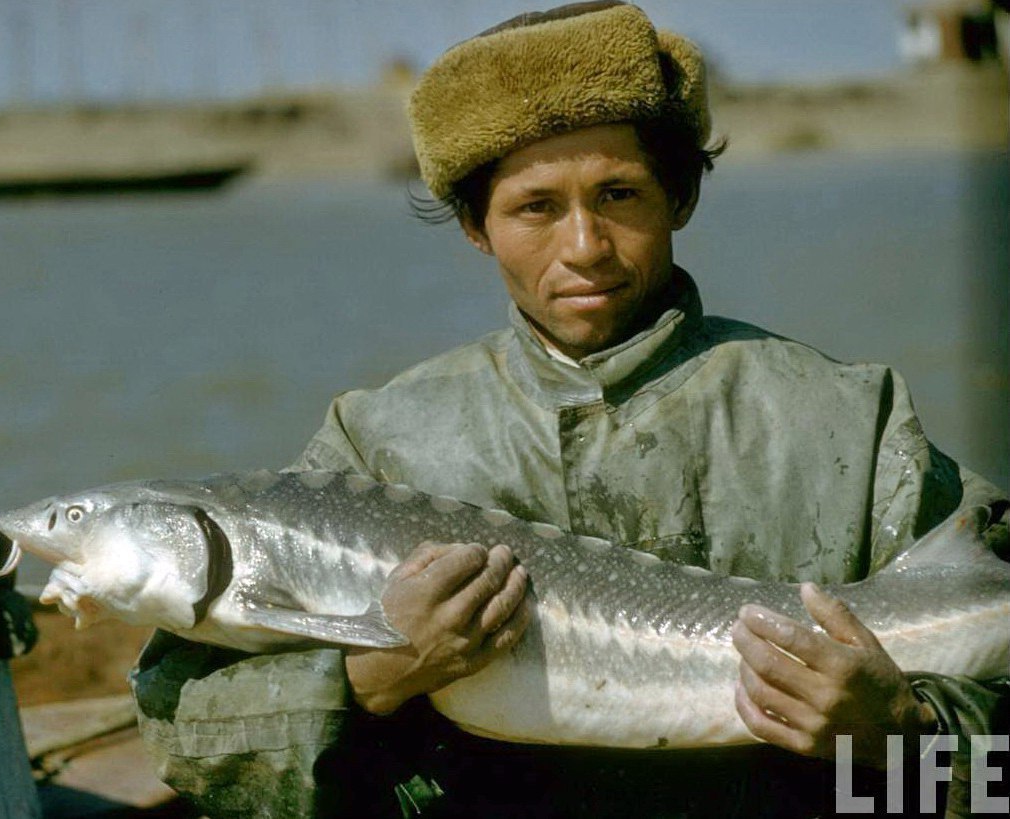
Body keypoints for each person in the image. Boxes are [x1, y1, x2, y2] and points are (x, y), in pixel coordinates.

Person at [133, 3, 1008, 816]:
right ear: (477, 227)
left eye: (620, 194)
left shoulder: (852, 417)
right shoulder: (379, 444)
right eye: (535, 208)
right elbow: (189, 739)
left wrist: (903, 737)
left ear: (679, 196)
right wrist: (376, 675)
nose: (584, 246)